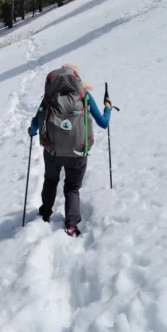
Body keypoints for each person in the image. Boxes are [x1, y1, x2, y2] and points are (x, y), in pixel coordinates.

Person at [28, 64, 112, 237]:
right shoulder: (85, 96)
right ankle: (72, 225)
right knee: (72, 187)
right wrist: (108, 108)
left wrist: (32, 131)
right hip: (78, 152)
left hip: (52, 152)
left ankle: (45, 214)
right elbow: (104, 123)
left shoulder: (49, 97)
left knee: (50, 181)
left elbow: (36, 122)